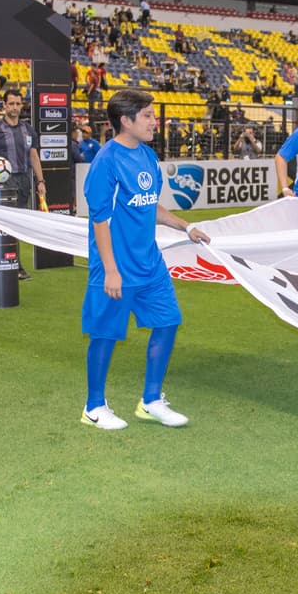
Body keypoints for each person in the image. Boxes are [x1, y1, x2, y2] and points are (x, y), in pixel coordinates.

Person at [80, 89, 211, 430]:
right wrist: (110, 270)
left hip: (150, 262)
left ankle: (151, 400)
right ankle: (94, 406)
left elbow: (150, 204)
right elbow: (101, 220)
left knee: (168, 321)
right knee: (105, 334)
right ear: (126, 121)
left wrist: (186, 227)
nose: (155, 121)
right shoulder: (106, 162)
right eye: (148, 116)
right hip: (116, 267)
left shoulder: (149, 156)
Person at [0, 89, 45, 280]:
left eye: (18, 103)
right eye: (11, 103)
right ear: (4, 106)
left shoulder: (28, 130)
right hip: (3, 183)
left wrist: (40, 180)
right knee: (3, 224)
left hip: (24, 180)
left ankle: (13, 263)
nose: (15, 107)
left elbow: (33, 155)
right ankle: (7, 264)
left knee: (17, 224)